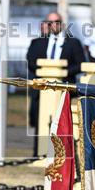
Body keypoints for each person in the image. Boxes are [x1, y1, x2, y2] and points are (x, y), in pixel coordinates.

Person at [26, 12, 86, 151]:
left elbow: (80, 64)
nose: (53, 25)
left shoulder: (73, 43)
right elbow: (31, 62)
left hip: (64, 89)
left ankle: (62, 154)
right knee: (39, 121)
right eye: (50, 22)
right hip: (41, 89)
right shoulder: (37, 43)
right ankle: (39, 153)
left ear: (62, 24)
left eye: (56, 21)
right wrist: (46, 76)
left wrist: (62, 73)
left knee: (63, 122)